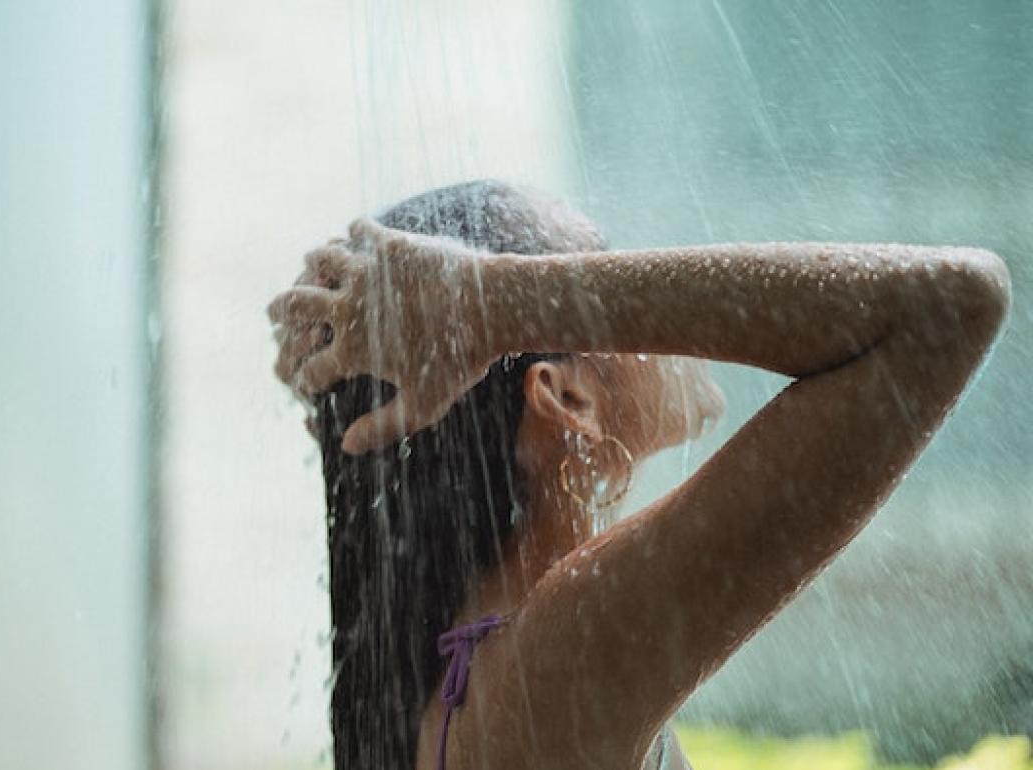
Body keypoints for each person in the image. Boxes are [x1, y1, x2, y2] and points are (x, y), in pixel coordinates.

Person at [267, 181, 1010, 770]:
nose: (642, 311)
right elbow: (949, 304)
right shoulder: (562, 648)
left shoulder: (486, 668)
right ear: (566, 398)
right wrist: (492, 299)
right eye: (589, 281)